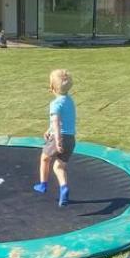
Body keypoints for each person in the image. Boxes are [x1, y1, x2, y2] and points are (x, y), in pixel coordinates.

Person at [33, 68, 75, 206]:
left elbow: (56, 122)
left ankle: (43, 184)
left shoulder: (55, 104)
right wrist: (49, 129)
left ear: (52, 88)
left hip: (59, 137)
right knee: (59, 166)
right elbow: (65, 120)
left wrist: (57, 141)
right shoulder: (70, 101)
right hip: (70, 139)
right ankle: (64, 187)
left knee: (45, 159)